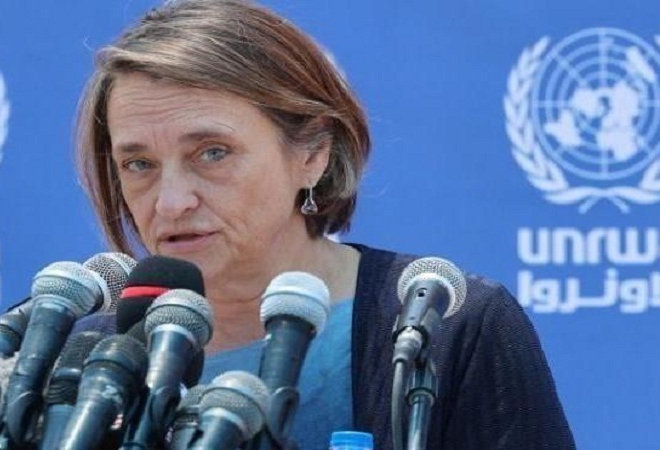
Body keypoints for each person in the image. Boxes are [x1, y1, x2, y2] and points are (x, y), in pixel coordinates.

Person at [73, 0, 576, 448]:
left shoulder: (443, 329)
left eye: (212, 153)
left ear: (313, 154)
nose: (171, 201)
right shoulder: (78, 359)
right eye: (139, 164)